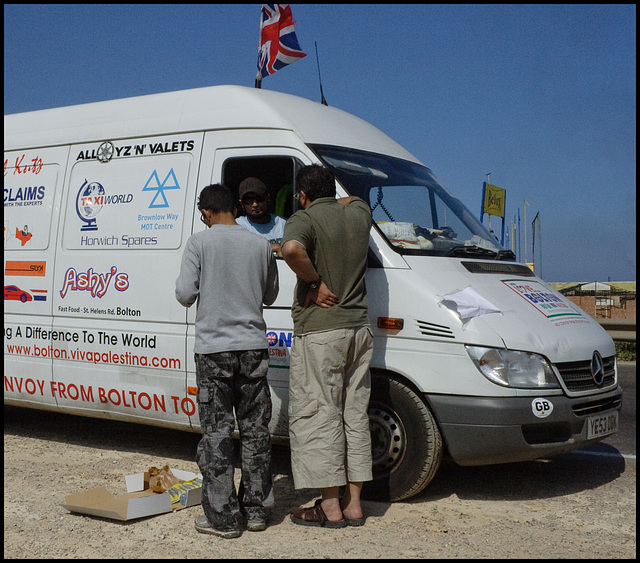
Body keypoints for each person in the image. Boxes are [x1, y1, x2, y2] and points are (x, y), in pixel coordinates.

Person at [175, 184, 279, 539]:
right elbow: (271, 294)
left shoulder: (199, 243)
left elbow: (185, 294)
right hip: (253, 348)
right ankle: (256, 511)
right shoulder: (260, 244)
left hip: (213, 351)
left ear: (205, 212)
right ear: (235, 208)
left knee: (217, 434)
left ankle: (222, 518)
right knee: (255, 431)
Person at [280, 164, 374, 528]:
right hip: (358, 330)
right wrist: (338, 197)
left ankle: (330, 506)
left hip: (321, 332)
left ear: (302, 194)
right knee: (354, 413)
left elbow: (290, 249)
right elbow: (354, 198)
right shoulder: (358, 213)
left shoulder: (304, 217)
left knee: (321, 414)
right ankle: (354, 505)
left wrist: (314, 282)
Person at [236, 177, 287, 257]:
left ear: (268, 198)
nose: (255, 204)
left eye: (259, 199)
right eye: (249, 201)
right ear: (242, 204)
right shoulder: (238, 226)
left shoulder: (282, 224)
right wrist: (271, 248)